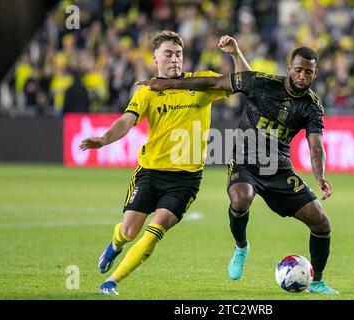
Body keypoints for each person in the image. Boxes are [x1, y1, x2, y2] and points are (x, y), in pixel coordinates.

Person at [137, 47, 338, 294]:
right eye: (298, 70)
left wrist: (320, 177)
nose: (302, 76)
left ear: (315, 73)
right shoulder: (260, 83)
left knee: (321, 222)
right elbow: (215, 81)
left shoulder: (312, 107)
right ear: (289, 69)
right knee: (241, 198)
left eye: (308, 72)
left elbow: (315, 146)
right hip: (244, 161)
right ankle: (241, 246)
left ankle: (316, 281)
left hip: (279, 169)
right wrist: (171, 84)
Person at [80, 30, 251, 295]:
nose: (175, 59)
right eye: (168, 54)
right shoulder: (149, 90)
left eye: (179, 54)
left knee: (154, 231)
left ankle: (112, 281)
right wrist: (104, 140)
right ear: (155, 58)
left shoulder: (200, 83)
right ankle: (115, 245)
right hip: (149, 172)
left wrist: (235, 53)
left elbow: (244, 83)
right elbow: (128, 120)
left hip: (185, 179)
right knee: (128, 230)